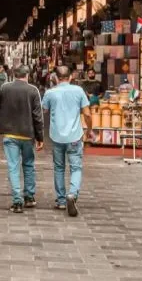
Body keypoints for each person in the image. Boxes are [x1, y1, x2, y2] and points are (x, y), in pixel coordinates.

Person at [41, 66, 91, 217]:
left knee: (59, 168)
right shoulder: (78, 91)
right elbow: (87, 113)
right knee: (76, 168)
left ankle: (61, 200)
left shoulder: (50, 93)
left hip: (57, 136)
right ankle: (72, 194)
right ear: (70, 77)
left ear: (55, 77)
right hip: (75, 136)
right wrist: (89, 128)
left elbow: (43, 110)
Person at [0, 65, 44, 213]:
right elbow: (38, 116)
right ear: (27, 75)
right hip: (28, 134)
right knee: (28, 164)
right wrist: (40, 136)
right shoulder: (33, 90)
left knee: (13, 166)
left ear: (14, 74)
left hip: (10, 134)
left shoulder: (4, 88)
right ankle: (29, 196)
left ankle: (17, 201)